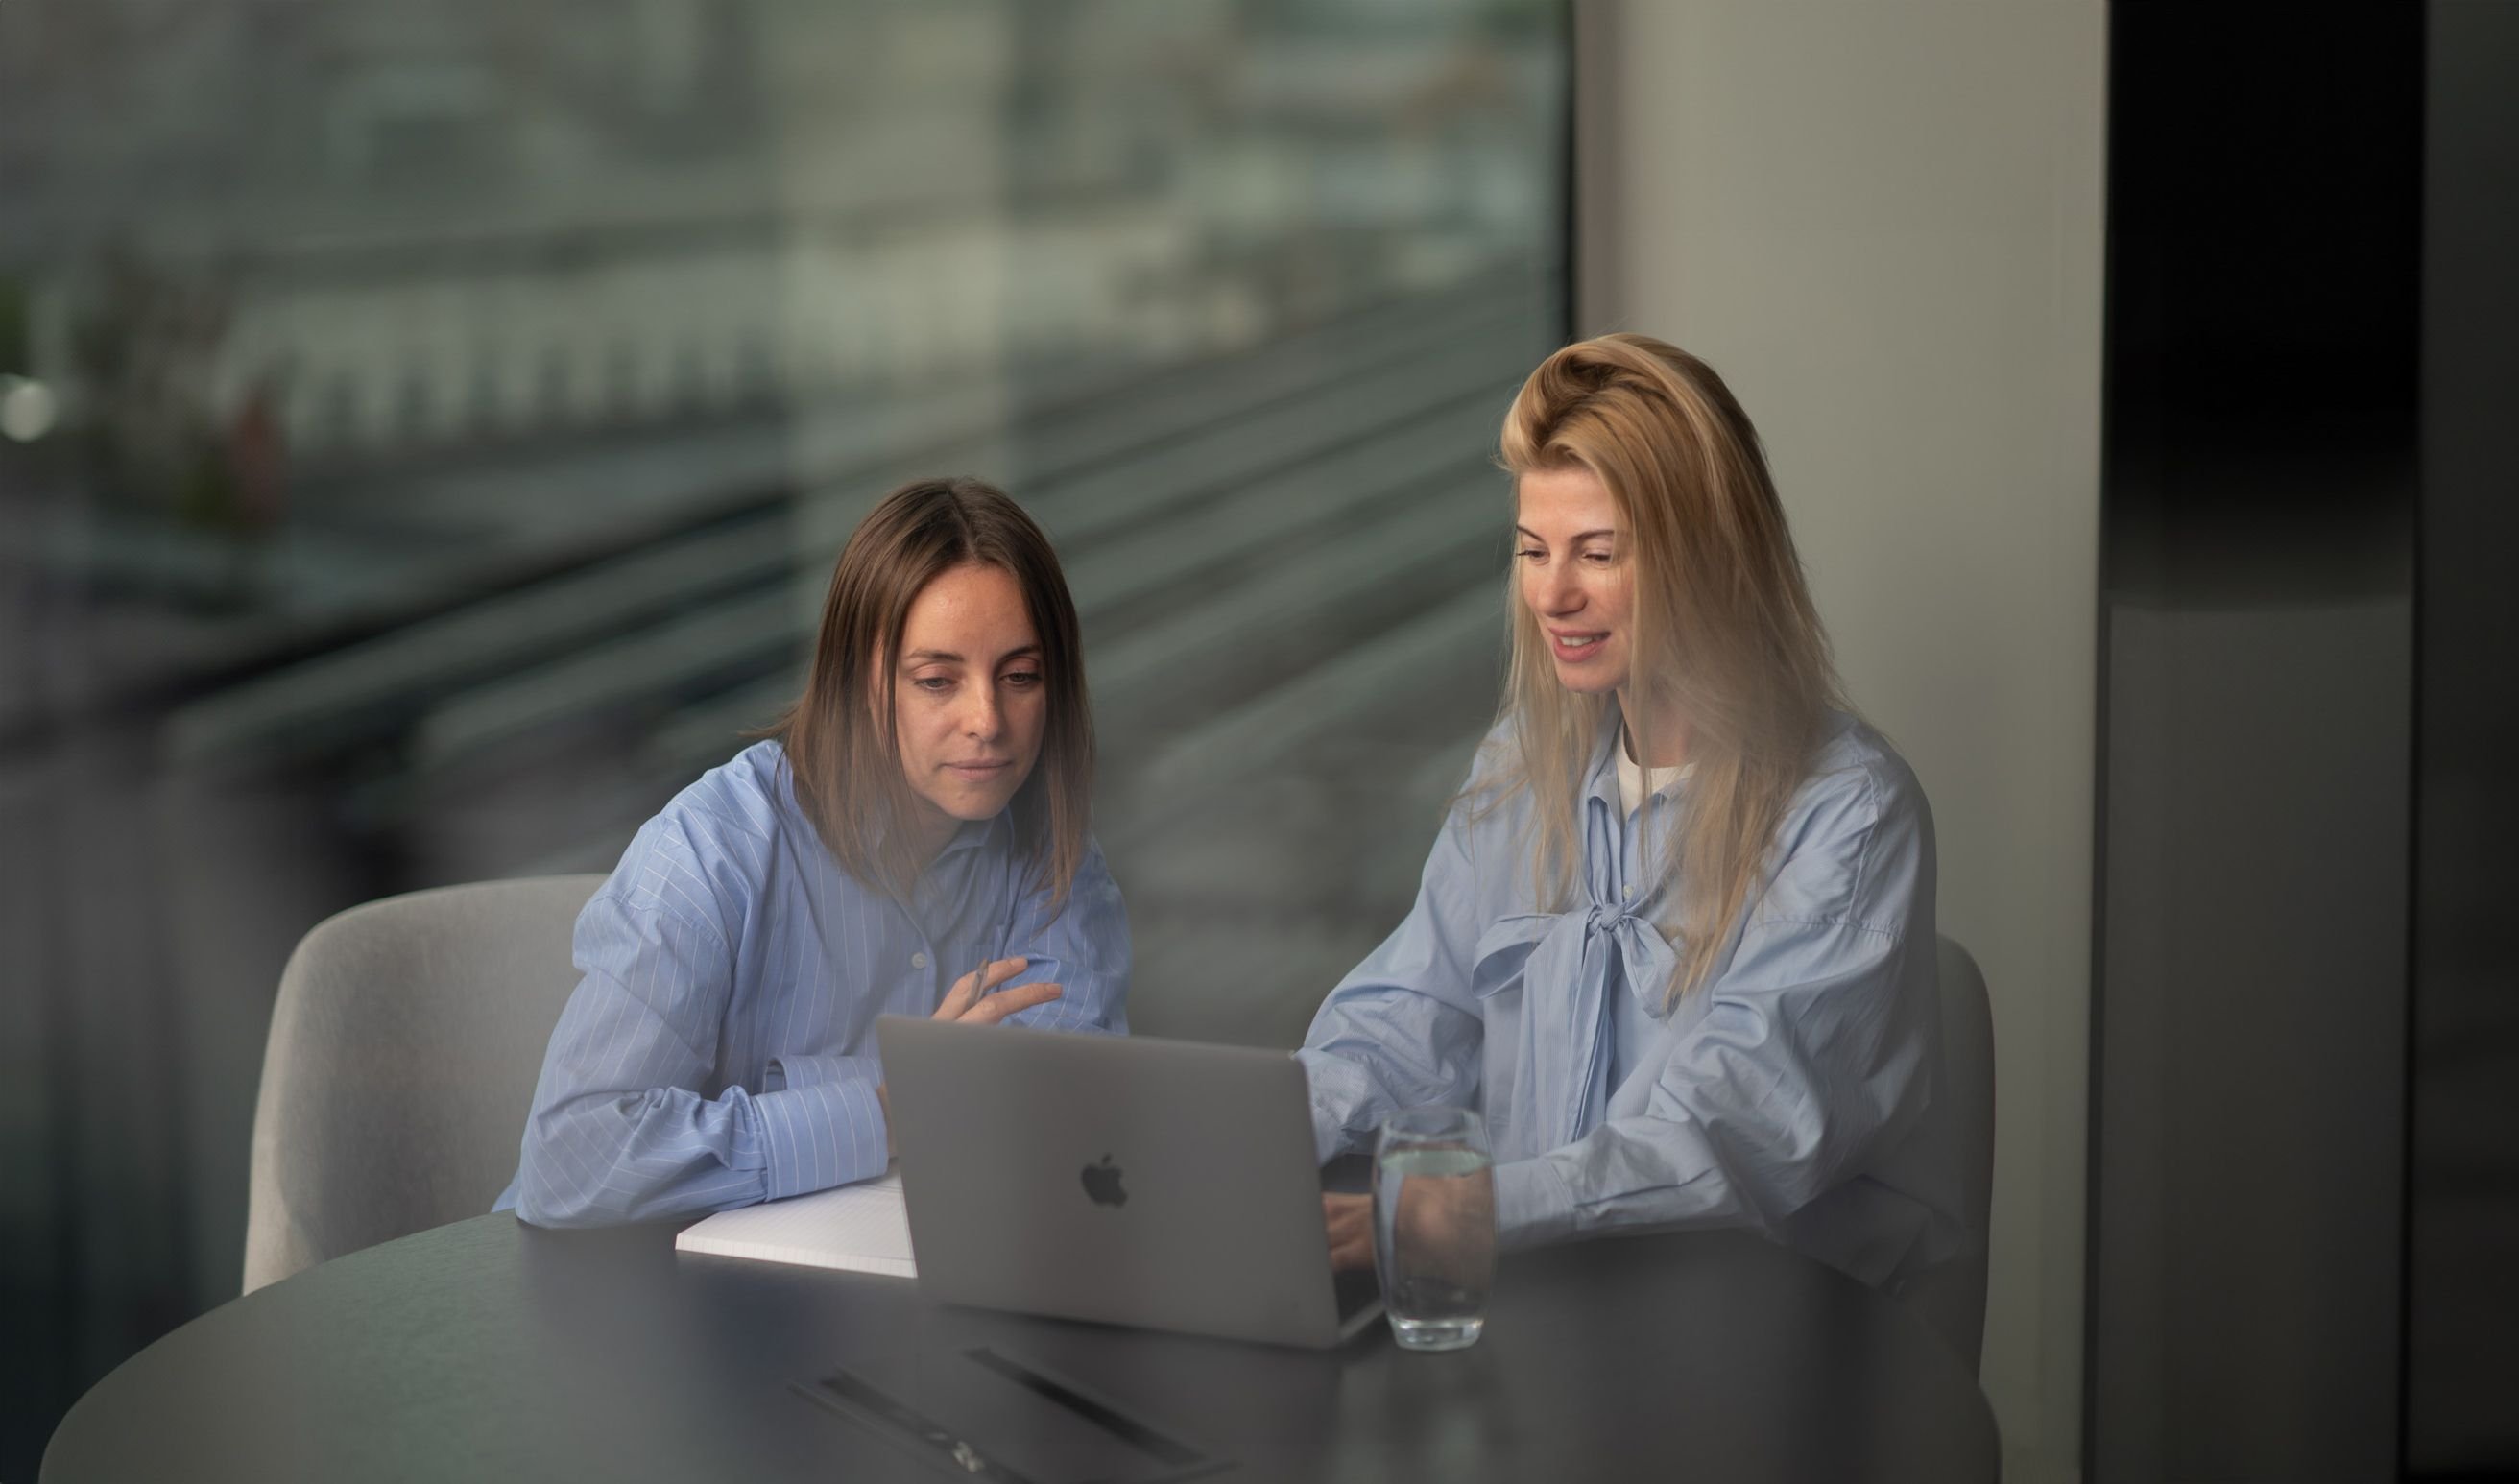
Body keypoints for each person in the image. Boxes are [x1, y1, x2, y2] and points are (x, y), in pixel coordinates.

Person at [1302, 334, 1967, 1291]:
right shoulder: (1517, 775)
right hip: (1554, 1309)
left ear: (1704, 558)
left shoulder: (1850, 815)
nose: (1552, 593)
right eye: (1532, 550)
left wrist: (1467, 1211)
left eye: (1597, 553)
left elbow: (1720, 1137)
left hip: (1765, 1336)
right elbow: (1410, 1015)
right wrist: (1258, 1136)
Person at [498, 477, 1127, 1226]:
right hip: (623, 1299)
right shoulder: (708, 851)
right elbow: (573, 1159)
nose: (987, 720)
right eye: (937, 681)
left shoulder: (1054, 855)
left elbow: (1057, 1118)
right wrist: (893, 1112)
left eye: (1020, 677)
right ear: (861, 682)